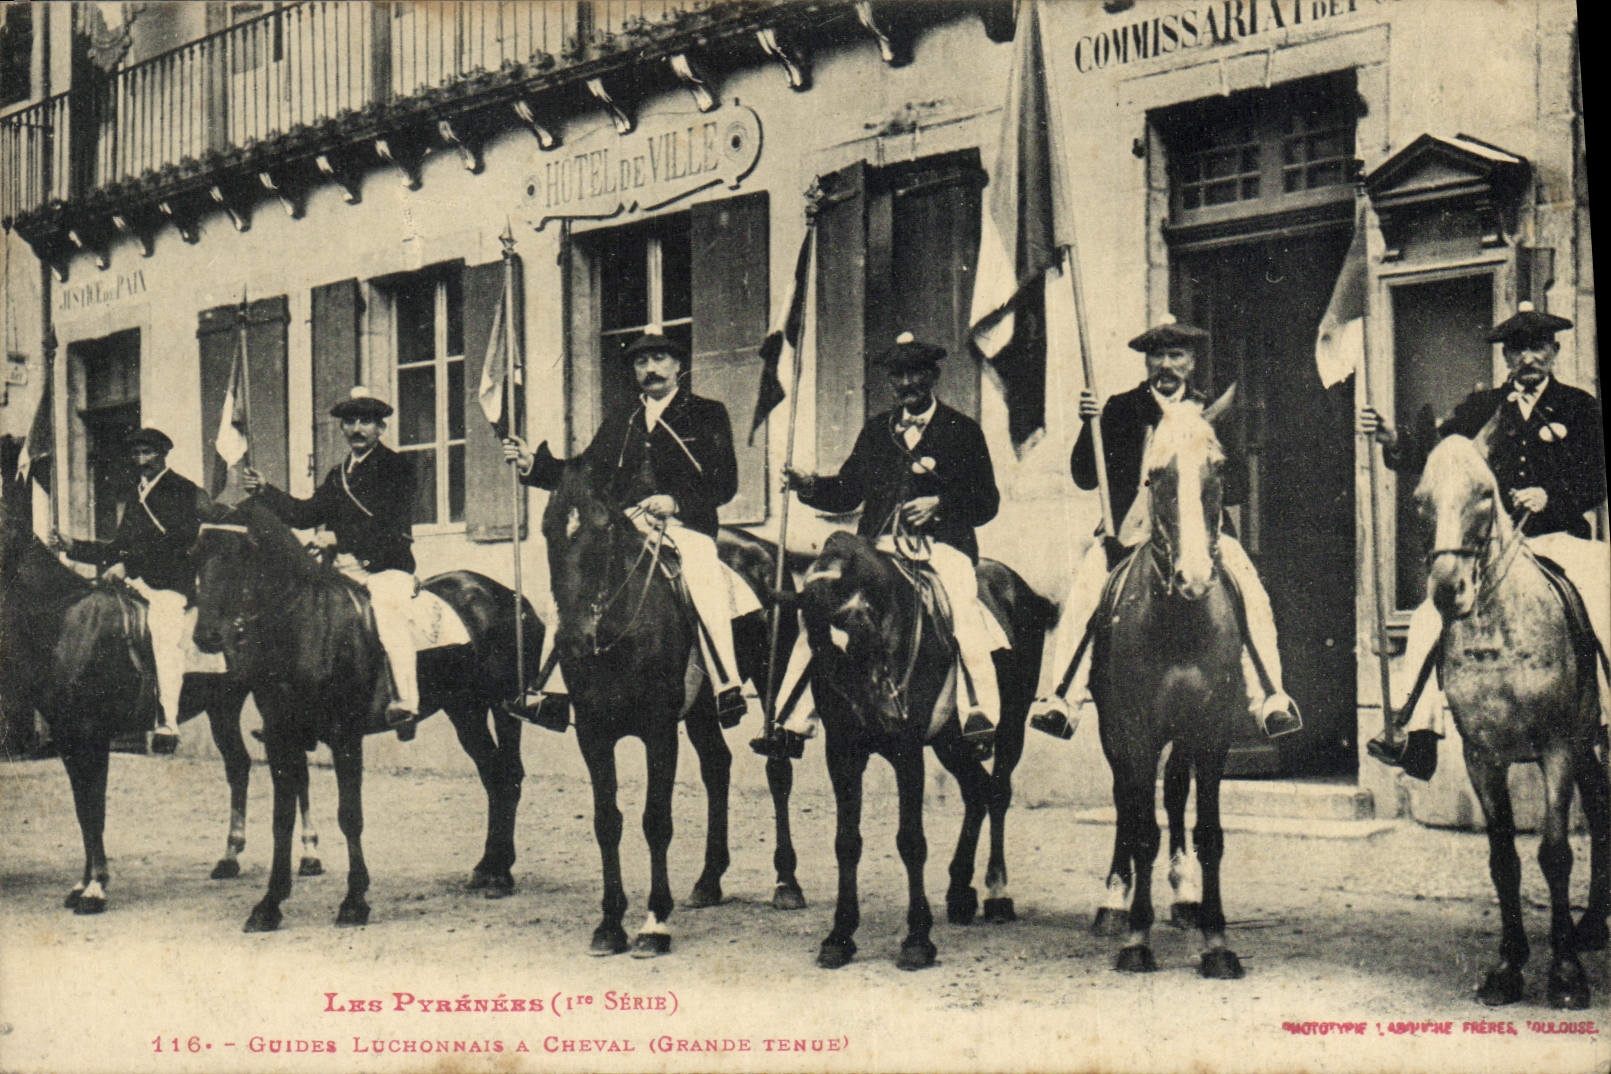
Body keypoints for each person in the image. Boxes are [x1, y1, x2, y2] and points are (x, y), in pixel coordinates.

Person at [1360, 302, 1609, 779]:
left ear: (1554, 351)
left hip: (1558, 540)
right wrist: (1393, 439)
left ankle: (1605, 717)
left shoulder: (1580, 406)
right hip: (1493, 554)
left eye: (1537, 347)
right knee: (1429, 617)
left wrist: (1552, 496)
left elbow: (1597, 476)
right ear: (1506, 358)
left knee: (1603, 601)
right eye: (1517, 349)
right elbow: (1438, 453)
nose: (1528, 358)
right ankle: (1417, 730)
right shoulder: (1482, 408)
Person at [1030, 316, 1302, 741]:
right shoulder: (1121, 408)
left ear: (1192, 362)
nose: (1167, 364)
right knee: (1085, 592)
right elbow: (1085, 476)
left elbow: (1237, 492)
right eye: (1158, 354)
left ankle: (1269, 697)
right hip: (1129, 532)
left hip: (1203, 534)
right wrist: (1090, 425)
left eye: (1177, 355)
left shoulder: (1212, 411)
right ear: (1146, 361)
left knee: (1251, 590)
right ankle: (1064, 698)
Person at [757, 331, 1004, 756]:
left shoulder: (961, 431)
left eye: (915, 374)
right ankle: (790, 719)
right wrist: (808, 485)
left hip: (938, 548)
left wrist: (940, 505)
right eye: (898, 376)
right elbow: (848, 492)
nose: (907, 384)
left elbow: (987, 502)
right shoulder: (876, 432)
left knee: (963, 608)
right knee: (818, 608)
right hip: (876, 548)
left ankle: (978, 712)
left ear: (932, 376)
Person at [501, 333, 750, 724]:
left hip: (682, 526)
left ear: (678, 366)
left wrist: (677, 501)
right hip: (623, 525)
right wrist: (536, 464)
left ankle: (727, 685)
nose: (650, 369)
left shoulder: (706, 413)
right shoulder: (623, 418)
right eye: (640, 362)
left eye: (659, 359)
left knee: (703, 576)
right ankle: (551, 690)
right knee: (567, 583)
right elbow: (583, 472)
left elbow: (725, 482)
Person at [243, 387, 420, 738]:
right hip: (342, 568)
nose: (356, 429)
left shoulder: (398, 467)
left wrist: (339, 538)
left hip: (386, 565)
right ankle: (295, 714)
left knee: (388, 614)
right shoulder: (338, 475)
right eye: (349, 422)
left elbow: (388, 521)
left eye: (365, 422)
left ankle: (405, 702)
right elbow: (304, 513)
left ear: (380, 428)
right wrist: (266, 490)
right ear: (341, 429)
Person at [52, 427, 213, 753]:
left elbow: (177, 542)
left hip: (171, 584)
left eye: (148, 453)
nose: (141, 460)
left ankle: (167, 720)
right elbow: (120, 547)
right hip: (138, 582)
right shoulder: (137, 493)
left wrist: (129, 566)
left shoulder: (182, 490)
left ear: (163, 454)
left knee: (163, 633)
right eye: (136, 454)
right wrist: (75, 548)